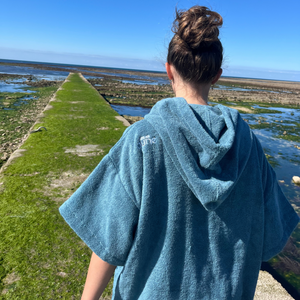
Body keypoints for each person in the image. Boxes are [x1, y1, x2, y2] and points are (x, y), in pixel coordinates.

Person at [59, 6, 299, 300]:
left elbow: (108, 239)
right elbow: (271, 238)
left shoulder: (141, 140)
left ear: (168, 69)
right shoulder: (248, 143)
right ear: (216, 76)